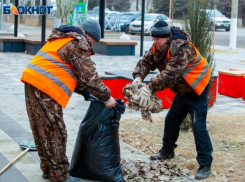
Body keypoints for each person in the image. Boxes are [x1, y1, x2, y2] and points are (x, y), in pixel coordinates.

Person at [21, 19, 116, 182]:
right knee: (56, 131)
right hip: (45, 87)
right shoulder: (78, 42)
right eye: (92, 41)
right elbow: (89, 75)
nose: (91, 46)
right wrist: (106, 97)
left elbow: (68, 71)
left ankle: (48, 169)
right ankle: (60, 176)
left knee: (41, 129)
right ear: (88, 35)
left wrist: (86, 92)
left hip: (31, 81)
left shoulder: (62, 38)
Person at [132, 20, 213, 180]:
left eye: (158, 39)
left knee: (198, 127)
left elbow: (170, 74)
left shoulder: (182, 49)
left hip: (197, 89)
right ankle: (167, 152)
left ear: (167, 37)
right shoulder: (158, 47)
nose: (154, 42)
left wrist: (150, 87)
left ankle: (205, 165)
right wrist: (138, 77)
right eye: (153, 38)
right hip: (183, 90)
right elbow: (146, 61)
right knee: (171, 121)